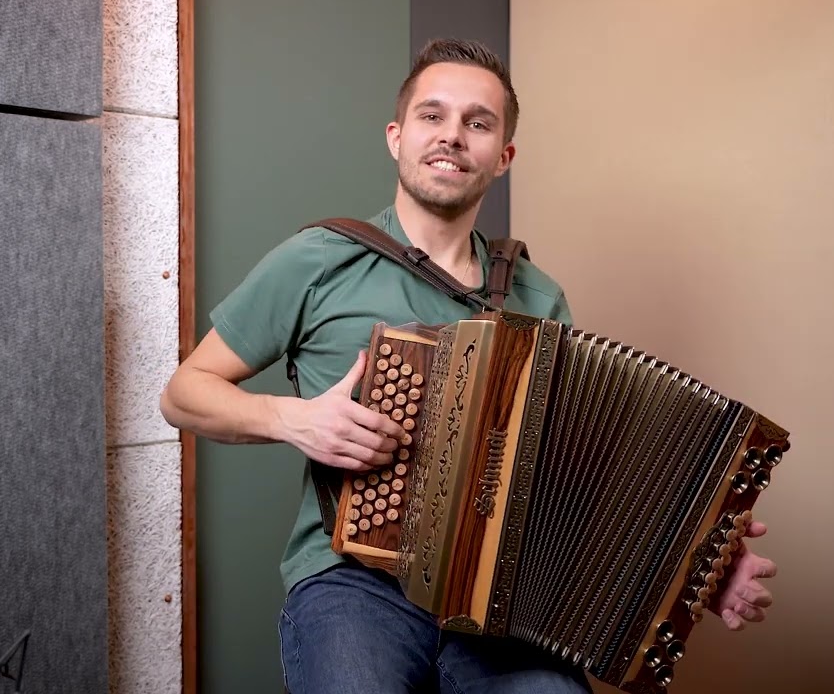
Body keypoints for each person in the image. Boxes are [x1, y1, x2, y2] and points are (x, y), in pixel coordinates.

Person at [160, 38, 778, 693]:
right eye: (433, 116)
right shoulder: (317, 259)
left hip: (501, 608)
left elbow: (579, 476)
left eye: (477, 123)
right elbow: (183, 393)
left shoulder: (539, 296)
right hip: (355, 585)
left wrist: (691, 569)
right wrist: (294, 420)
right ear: (396, 137)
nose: (452, 136)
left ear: (503, 156)